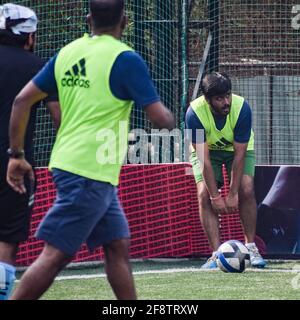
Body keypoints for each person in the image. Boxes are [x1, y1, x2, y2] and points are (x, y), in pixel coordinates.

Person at [6, 0, 175, 300]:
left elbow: (21, 101)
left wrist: (16, 157)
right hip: (89, 171)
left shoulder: (68, 52)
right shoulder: (125, 58)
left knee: (117, 245)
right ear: (124, 21)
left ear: (88, 19)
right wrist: (171, 116)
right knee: (55, 255)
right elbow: (160, 120)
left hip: (75, 165)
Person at [0, 3, 59, 300]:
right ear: (30, 35)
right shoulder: (38, 68)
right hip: (16, 165)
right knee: (6, 241)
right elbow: (61, 120)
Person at [185, 72, 266, 269]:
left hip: (235, 150)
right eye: (219, 98)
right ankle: (216, 254)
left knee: (246, 188)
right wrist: (215, 196)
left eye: (227, 95)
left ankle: (251, 247)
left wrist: (232, 193)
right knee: (203, 193)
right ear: (207, 100)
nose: (226, 102)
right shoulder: (193, 114)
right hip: (207, 152)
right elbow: (203, 159)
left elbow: (239, 156)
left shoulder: (242, 108)